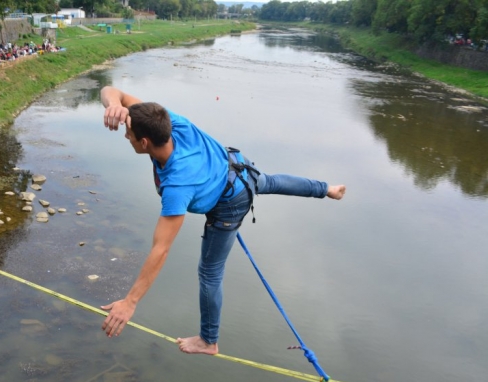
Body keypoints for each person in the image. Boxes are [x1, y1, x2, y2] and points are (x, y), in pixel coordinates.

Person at [100, 86, 346, 355]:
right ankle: (328, 189)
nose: (126, 135)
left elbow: (161, 249)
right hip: (238, 167)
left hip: (230, 203)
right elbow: (110, 90)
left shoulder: (177, 185)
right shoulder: (168, 122)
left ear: (144, 142)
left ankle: (209, 340)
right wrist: (115, 105)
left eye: (129, 134)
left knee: (210, 272)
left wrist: (130, 302)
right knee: (270, 181)